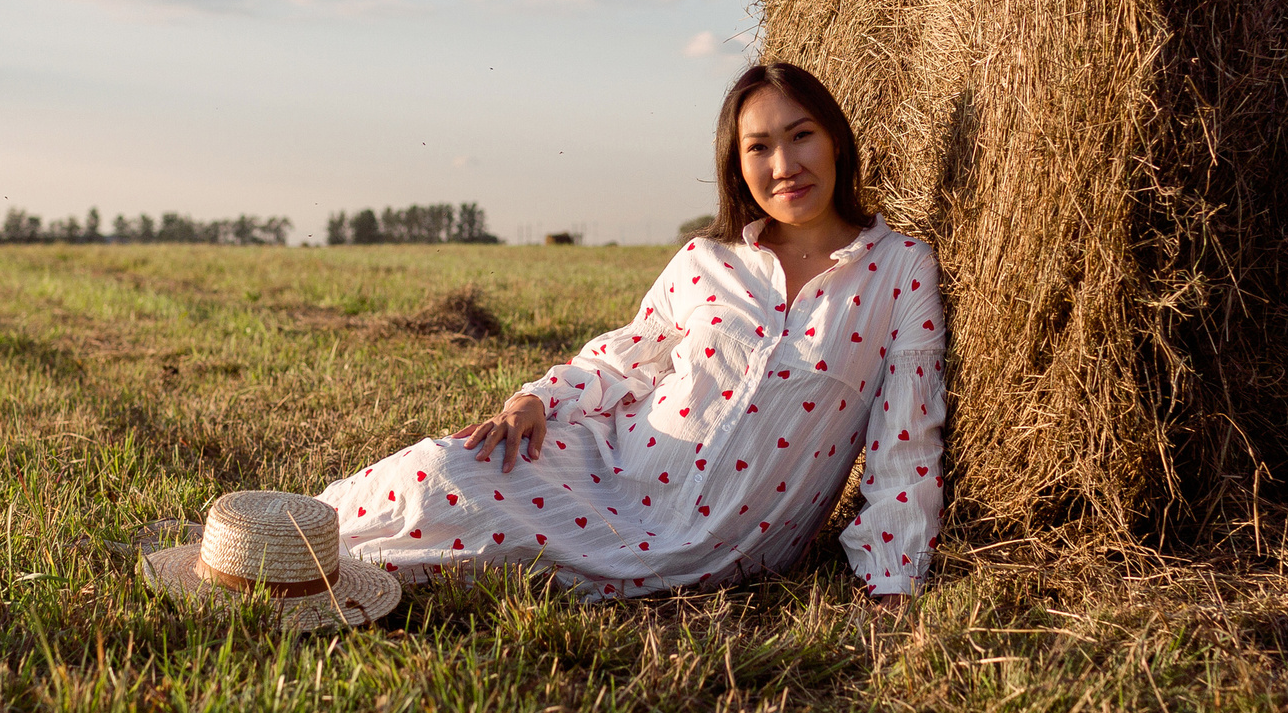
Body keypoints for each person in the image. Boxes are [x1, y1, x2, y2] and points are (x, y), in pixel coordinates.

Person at [319, 62, 947, 606]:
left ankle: (299, 560)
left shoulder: (899, 268)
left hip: (718, 538)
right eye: (758, 147)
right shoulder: (709, 258)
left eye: (801, 136)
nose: (784, 165)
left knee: (466, 541)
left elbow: (905, 441)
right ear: (737, 164)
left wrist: (891, 584)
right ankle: (277, 540)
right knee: (442, 468)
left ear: (836, 139)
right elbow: (622, 362)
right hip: (612, 463)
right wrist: (536, 398)